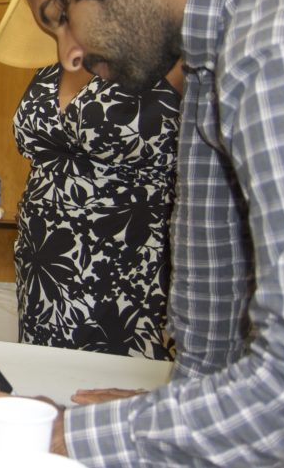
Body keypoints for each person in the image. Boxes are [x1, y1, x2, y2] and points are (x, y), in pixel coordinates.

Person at [0, 0, 284, 465]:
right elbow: (218, 300)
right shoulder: (210, 52)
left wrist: (82, 438)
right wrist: (172, 406)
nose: (71, 53)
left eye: (62, 17)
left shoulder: (275, 50)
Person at [13, 58, 181, 360]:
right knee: (44, 376)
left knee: (123, 383)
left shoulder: (166, 56)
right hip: (45, 263)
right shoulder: (50, 67)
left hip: (128, 260)